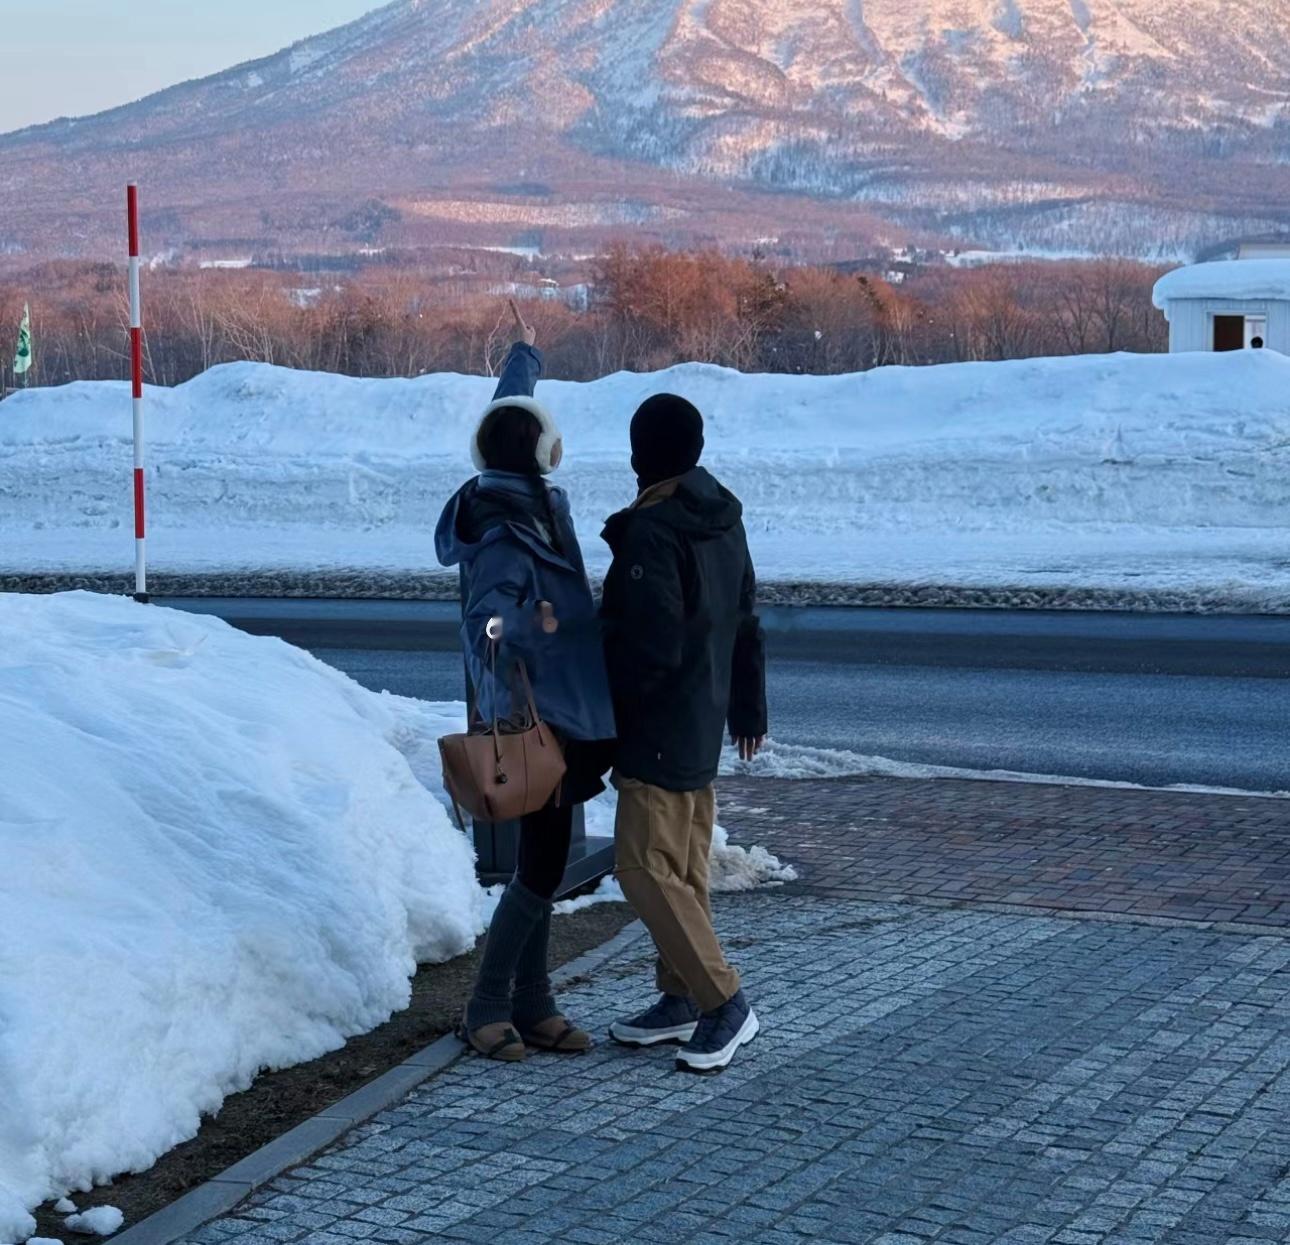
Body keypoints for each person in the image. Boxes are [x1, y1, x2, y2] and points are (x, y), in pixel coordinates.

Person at [435, 303, 616, 1063]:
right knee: (540, 864)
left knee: (543, 862)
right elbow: (484, 625)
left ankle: (535, 1004)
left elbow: (509, 404)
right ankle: (487, 1006)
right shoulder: (505, 519)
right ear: (540, 451)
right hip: (534, 724)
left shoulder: (530, 502)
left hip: (571, 713)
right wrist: (523, 631)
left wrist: (525, 353)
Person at [600, 394, 768, 1074]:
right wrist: (748, 709)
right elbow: (746, 618)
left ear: (643, 455)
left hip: (660, 725)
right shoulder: (721, 516)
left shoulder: (655, 529)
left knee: (642, 867)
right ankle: (678, 998)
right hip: (703, 717)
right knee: (683, 866)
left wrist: (603, 719)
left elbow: (649, 645)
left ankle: (723, 999)